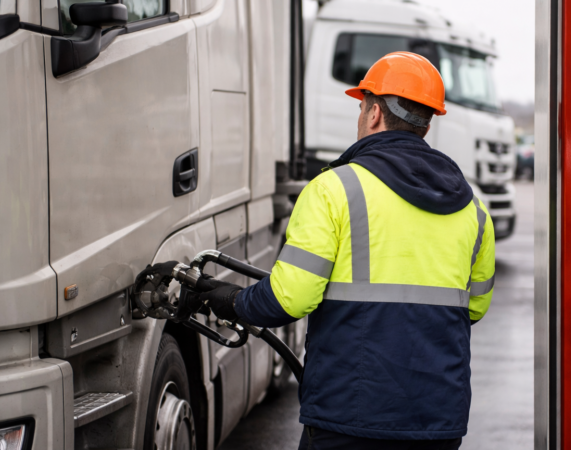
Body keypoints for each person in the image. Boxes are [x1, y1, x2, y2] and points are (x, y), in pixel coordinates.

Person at [141, 51, 495, 450]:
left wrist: (227, 300)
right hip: (436, 422)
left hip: (350, 418)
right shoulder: (473, 209)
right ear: (426, 124)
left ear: (375, 113)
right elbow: (475, 307)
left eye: (362, 107)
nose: (360, 117)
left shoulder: (335, 190)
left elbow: (290, 298)